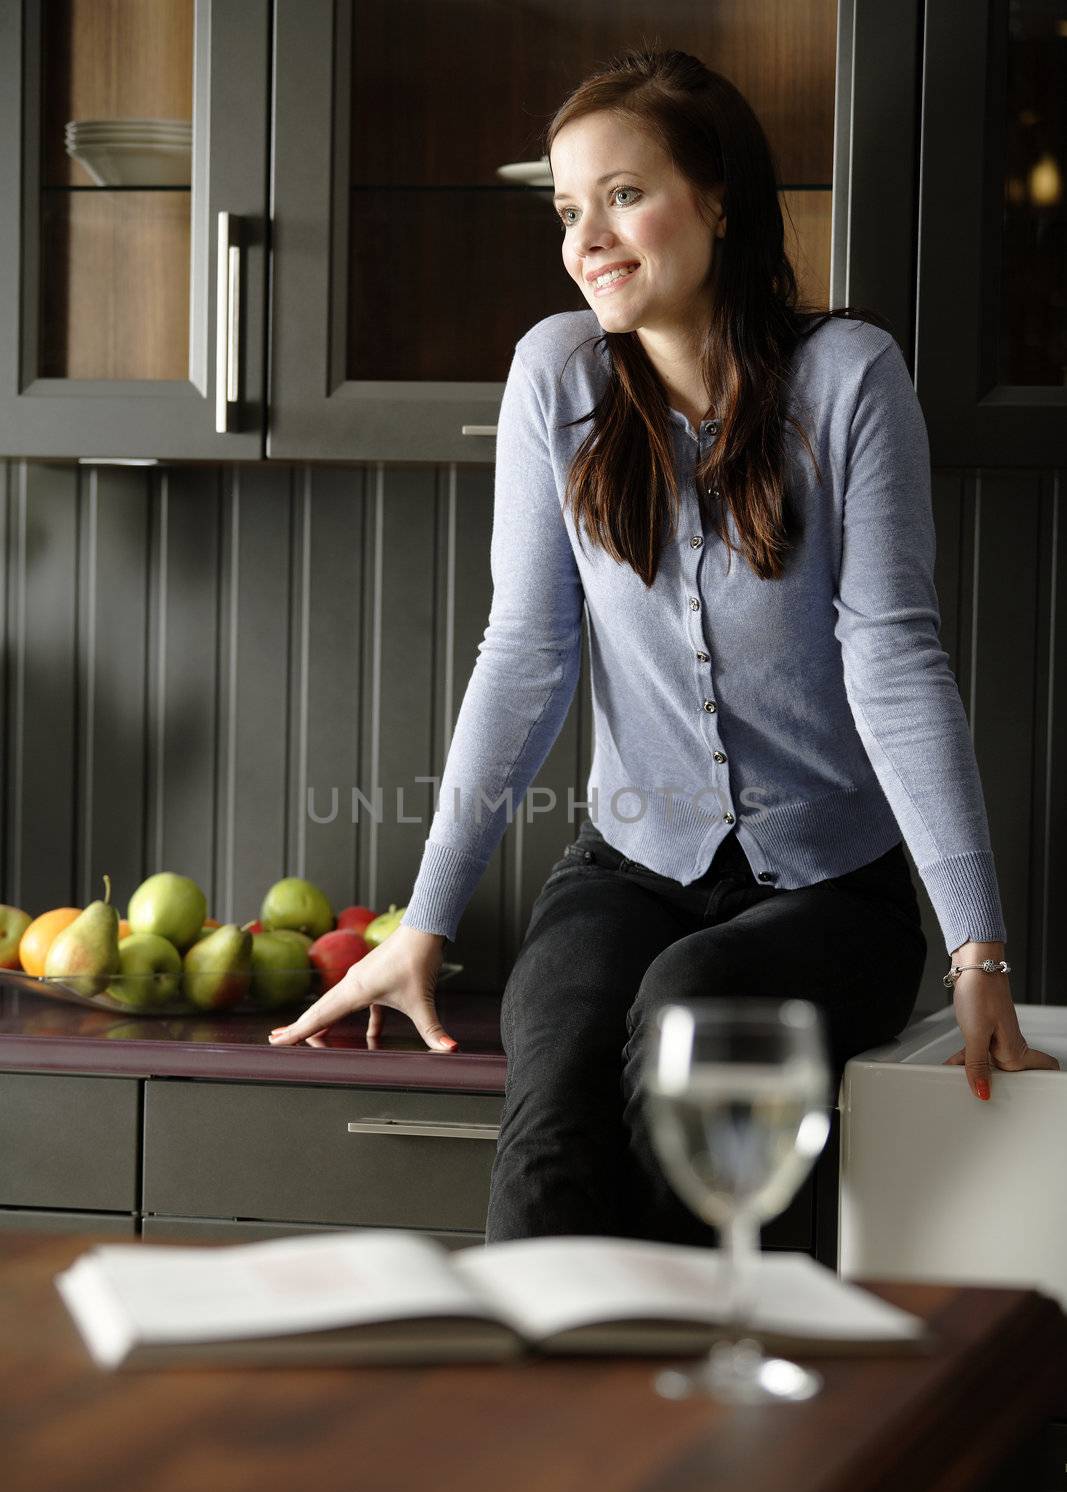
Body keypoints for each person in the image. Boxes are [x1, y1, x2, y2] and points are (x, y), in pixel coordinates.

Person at [268, 49, 1058, 1245]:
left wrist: (976, 950)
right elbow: (523, 652)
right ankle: (549, 1415)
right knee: (558, 1074)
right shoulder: (558, 376)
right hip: (628, 867)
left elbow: (892, 658)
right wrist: (423, 921)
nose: (587, 235)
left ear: (719, 199)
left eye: (623, 195)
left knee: (691, 1011)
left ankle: (730, 1383)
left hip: (830, 891)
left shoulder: (848, 379)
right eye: (566, 208)